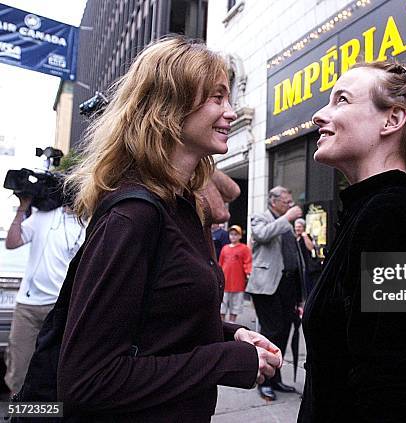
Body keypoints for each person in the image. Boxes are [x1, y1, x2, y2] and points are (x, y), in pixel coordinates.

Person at [58, 36, 282, 422]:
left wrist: (231, 336)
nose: (230, 112)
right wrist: (224, 360)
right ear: (170, 107)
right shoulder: (134, 214)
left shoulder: (184, 206)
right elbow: (87, 379)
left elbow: (160, 329)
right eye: (216, 97)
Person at [298, 61, 406, 422]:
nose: (320, 115)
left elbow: (395, 385)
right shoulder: (370, 211)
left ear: (392, 120)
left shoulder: (394, 217)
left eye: (341, 100)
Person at [4, 195, 85, 395]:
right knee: (19, 369)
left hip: (63, 307)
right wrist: (22, 208)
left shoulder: (89, 223)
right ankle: (20, 414)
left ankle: (50, 414)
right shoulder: (44, 216)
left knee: (57, 371)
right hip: (28, 307)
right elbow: (12, 243)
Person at [246, 186, 303, 401]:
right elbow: (261, 235)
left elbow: (294, 258)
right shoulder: (260, 218)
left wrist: (299, 297)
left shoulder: (286, 224)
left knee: (284, 332)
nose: (290, 205)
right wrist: (287, 218)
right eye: (286, 201)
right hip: (267, 286)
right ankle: (265, 381)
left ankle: (276, 378)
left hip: (288, 286)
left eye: (290, 202)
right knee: (271, 332)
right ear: (273, 201)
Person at [219, 225, 252, 322]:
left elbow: (248, 262)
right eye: (231, 234)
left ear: (240, 236)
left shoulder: (244, 248)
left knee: (235, 307)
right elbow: (220, 263)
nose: (233, 236)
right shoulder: (225, 248)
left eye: (236, 234)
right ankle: (222, 325)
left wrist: (248, 273)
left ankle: (232, 324)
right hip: (225, 283)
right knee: (222, 306)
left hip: (238, 283)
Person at [294, 218, 321, 298]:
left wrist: (305, 236)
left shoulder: (306, 236)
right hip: (297, 267)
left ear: (304, 227)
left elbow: (311, 248)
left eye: (300, 227)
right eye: (296, 227)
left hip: (306, 267)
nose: (297, 229)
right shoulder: (294, 238)